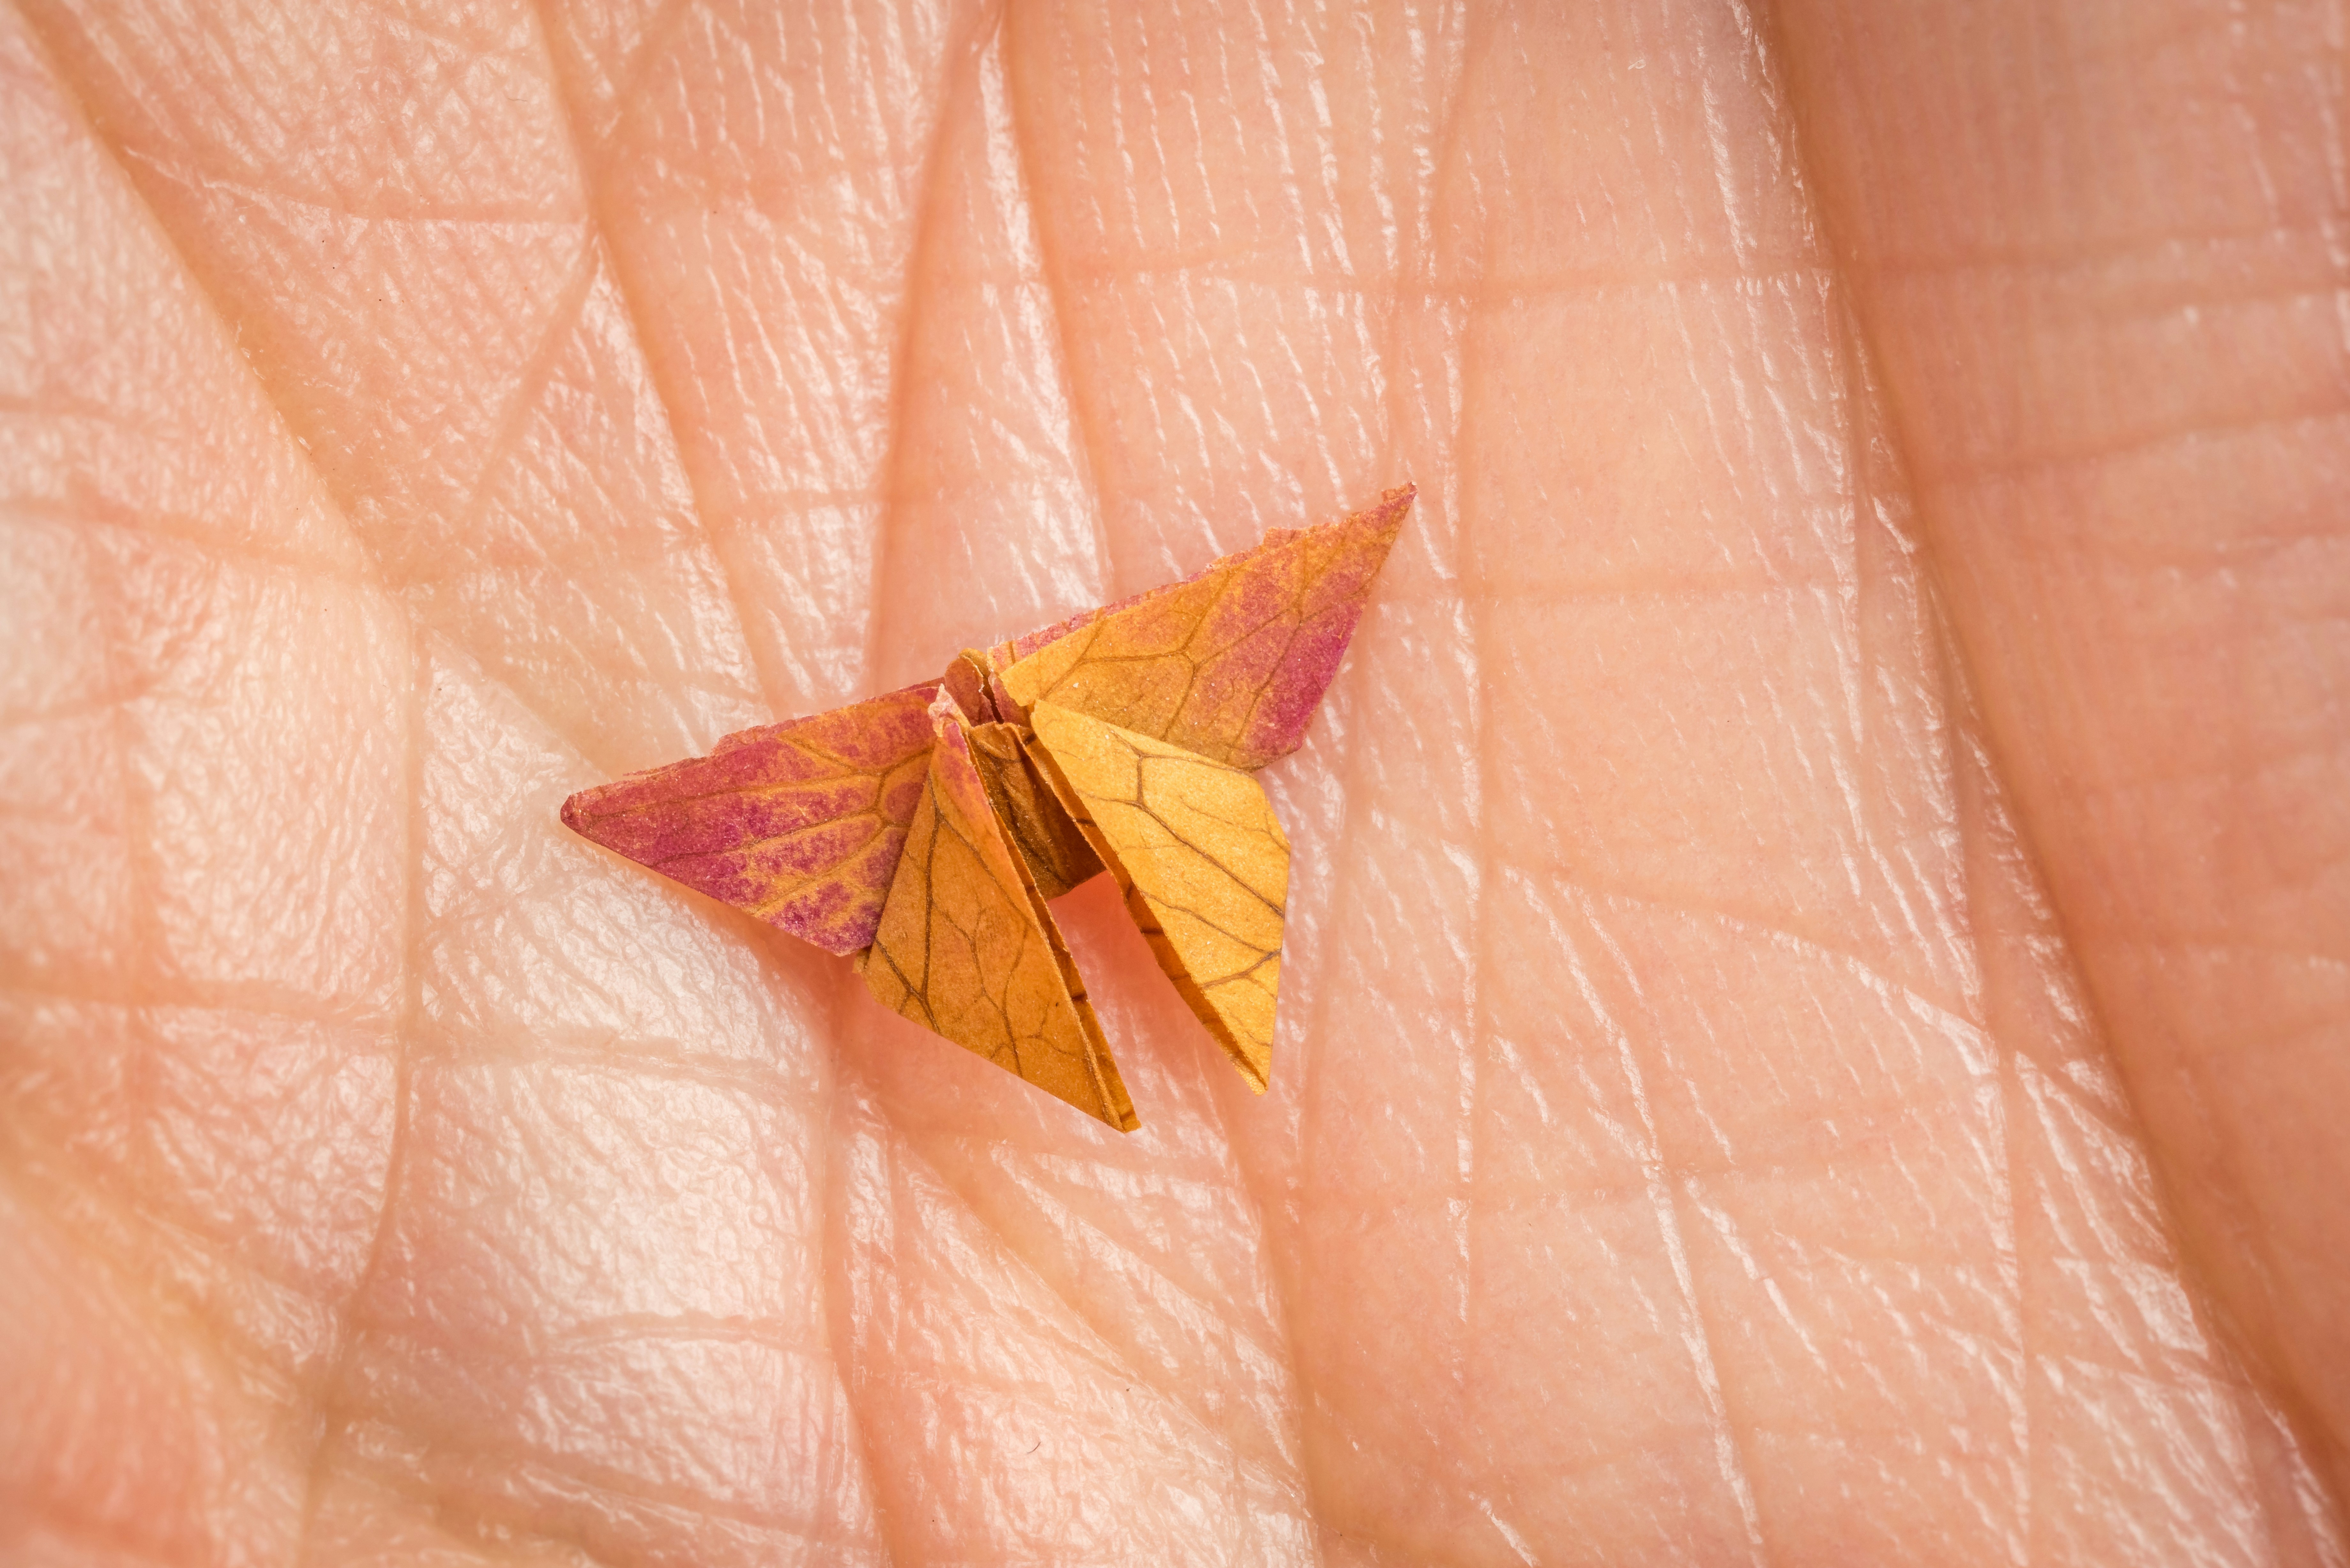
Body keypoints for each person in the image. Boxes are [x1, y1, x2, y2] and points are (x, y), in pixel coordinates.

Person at [2, 1, 2342, 1562]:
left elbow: (1254, 628)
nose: (987, 713)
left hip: (1094, 772)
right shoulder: (972, 767)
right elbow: (719, 812)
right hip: (1011, 809)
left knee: (1160, 900)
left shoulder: (1099, 722)